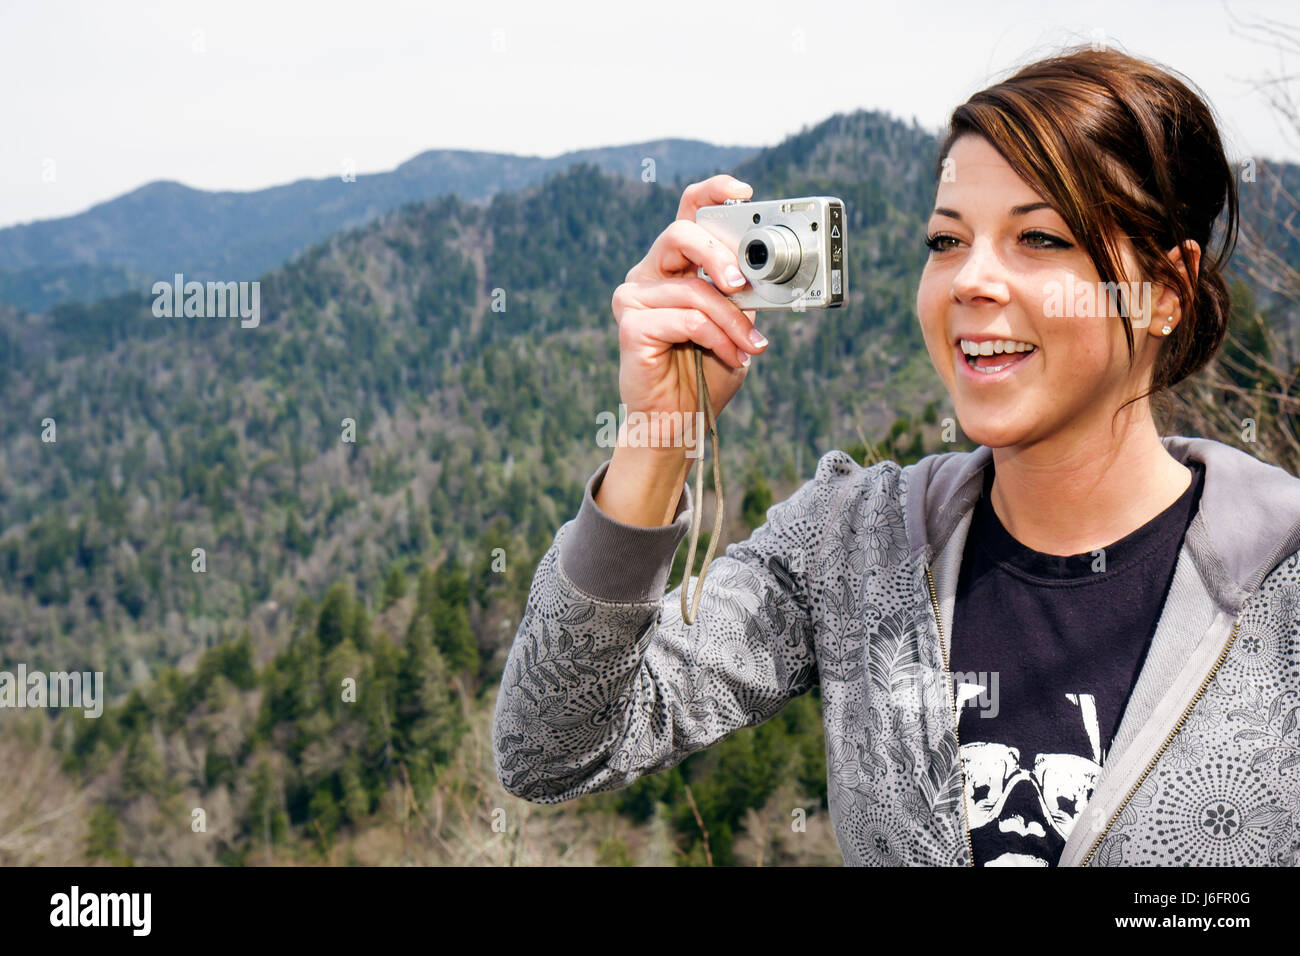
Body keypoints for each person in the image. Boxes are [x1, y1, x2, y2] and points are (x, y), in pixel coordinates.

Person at [491, 44, 1300, 866]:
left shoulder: (1280, 584)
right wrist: (659, 432)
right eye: (947, 241)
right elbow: (553, 750)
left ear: (1165, 291)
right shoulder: (855, 547)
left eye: (1041, 238)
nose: (971, 281)